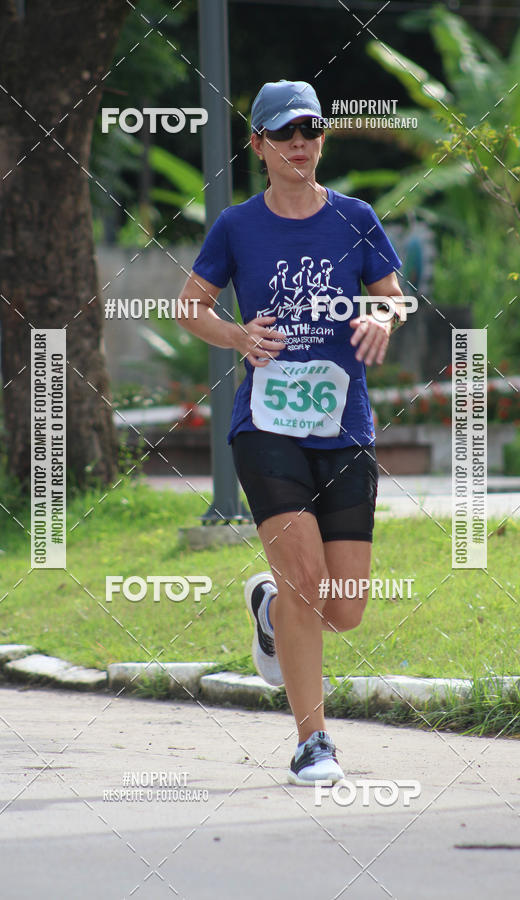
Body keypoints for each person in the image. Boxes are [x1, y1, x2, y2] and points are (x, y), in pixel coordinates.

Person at [177, 79, 405, 786]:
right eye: (283, 133)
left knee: (346, 608)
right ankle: (314, 742)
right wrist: (240, 335)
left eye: (309, 129)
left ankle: (268, 611)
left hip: (344, 425)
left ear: (322, 138)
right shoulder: (237, 226)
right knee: (305, 580)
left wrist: (380, 320)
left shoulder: (357, 218)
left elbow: (397, 301)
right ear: (260, 145)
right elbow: (189, 307)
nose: (299, 143)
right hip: (267, 425)